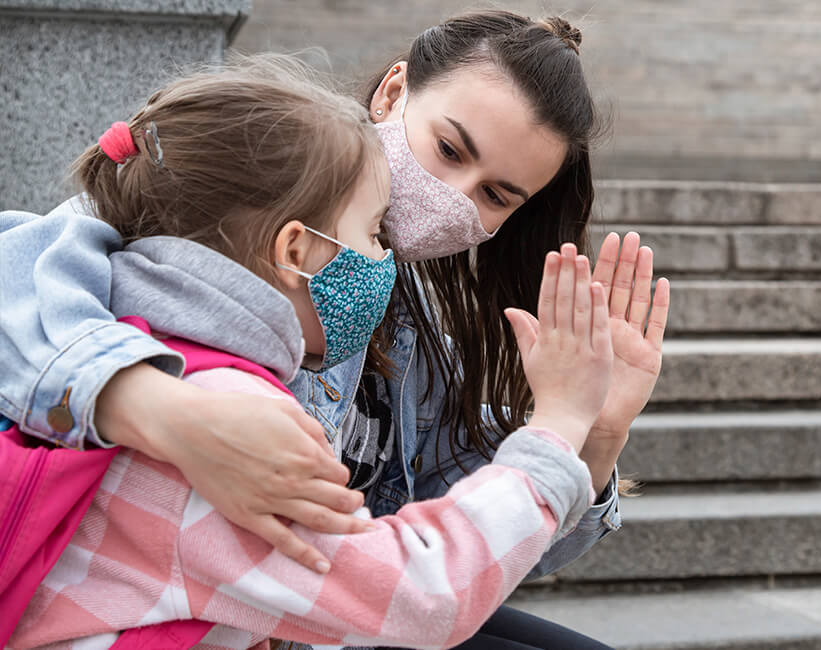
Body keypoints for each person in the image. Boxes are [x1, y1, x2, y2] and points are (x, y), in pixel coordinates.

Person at [0, 9, 669, 649]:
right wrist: (155, 407)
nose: (455, 196)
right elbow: (26, 269)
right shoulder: (236, 177)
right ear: (394, 90)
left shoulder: (418, 310)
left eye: (495, 195)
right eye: (447, 148)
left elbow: (465, 532)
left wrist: (592, 429)